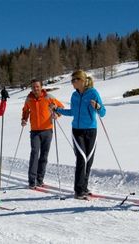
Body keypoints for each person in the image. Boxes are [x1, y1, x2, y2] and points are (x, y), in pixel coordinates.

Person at [50, 70, 106, 199]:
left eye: (74, 80)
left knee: (89, 161)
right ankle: (79, 190)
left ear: (81, 80)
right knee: (81, 159)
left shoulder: (93, 93)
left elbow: (103, 113)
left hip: (91, 131)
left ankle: (84, 187)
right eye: (71, 81)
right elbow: (72, 112)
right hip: (77, 131)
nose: (72, 83)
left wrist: (97, 106)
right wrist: (57, 110)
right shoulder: (74, 96)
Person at [21, 79, 64, 189]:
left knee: (44, 156)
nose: (35, 89)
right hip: (35, 131)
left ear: (41, 87)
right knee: (35, 153)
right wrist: (24, 119)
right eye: (33, 87)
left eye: (37, 86)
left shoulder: (49, 97)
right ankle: (31, 181)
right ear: (31, 88)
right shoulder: (29, 98)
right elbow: (25, 110)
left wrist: (57, 114)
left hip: (47, 130)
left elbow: (60, 107)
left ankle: (39, 180)